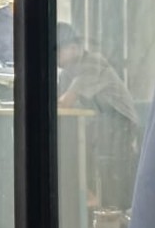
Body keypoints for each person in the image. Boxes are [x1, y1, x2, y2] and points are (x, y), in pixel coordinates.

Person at [56, 23, 141, 214]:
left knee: (80, 153)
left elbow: (65, 102)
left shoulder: (92, 63)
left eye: (58, 50)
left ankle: (97, 203)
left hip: (120, 124)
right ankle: (86, 199)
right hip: (98, 124)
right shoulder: (66, 74)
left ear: (74, 48)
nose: (55, 56)